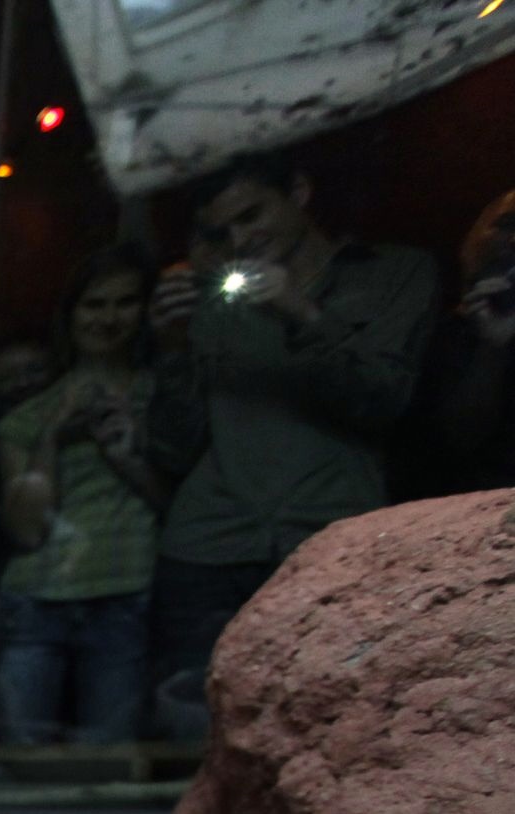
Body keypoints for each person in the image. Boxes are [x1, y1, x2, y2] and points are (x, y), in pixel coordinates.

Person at [143, 149, 440, 737]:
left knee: (329, 732)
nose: (241, 238)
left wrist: (300, 313)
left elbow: (383, 401)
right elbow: (175, 448)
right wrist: (173, 350)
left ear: (299, 192)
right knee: (195, 739)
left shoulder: (393, 273)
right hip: (209, 546)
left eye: (253, 216)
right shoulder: (212, 297)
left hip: (332, 538)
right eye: (222, 231)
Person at [0, 244, 166, 743]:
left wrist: (125, 455)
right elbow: (26, 530)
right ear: (71, 316)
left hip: (126, 588)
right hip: (34, 597)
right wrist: (53, 435)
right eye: (94, 305)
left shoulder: (162, 393)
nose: (109, 318)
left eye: (124, 303)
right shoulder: (28, 416)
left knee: (109, 765)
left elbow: (175, 506)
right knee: (19, 759)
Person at [419, 190, 515, 494]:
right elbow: (450, 443)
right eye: (508, 224)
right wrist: (493, 348)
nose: (513, 241)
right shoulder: (441, 335)